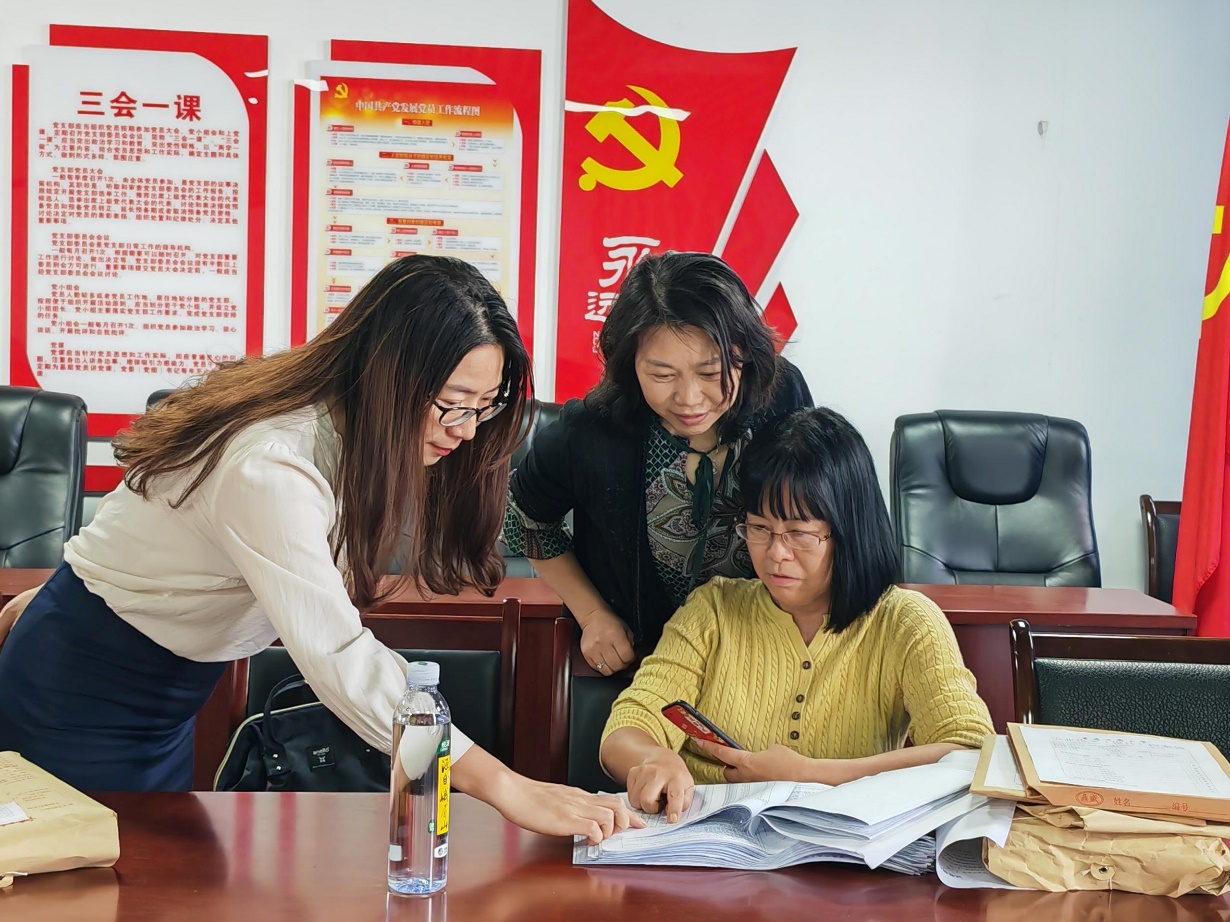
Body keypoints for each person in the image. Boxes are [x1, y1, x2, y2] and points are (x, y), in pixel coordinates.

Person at [0, 255, 639, 844]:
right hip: (82, 693)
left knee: (145, 879)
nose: (467, 431)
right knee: (75, 879)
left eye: (484, 406)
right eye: (451, 405)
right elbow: (337, 655)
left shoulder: (344, 428)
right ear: (385, 376)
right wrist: (507, 786)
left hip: (165, 693)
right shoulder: (270, 459)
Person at [599, 406, 994, 821]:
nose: (775, 554)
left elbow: (971, 753)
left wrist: (811, 775)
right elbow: (627, 726)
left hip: (841, 848)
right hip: (708, 841)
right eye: (759, 528)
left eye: (799, 534)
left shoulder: (904, 622)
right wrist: (653, 759)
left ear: (849, 530)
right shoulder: (712, 609)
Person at [504, 252, 812, 676]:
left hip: (768, 657)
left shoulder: (782, 395)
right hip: (643, 660)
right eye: (662, 376)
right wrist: (592, 614)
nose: (689, 399)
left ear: (746, 355)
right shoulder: (593, 429)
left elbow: (821, 511)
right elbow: (524, 519)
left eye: (711, 373)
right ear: (629, 364)